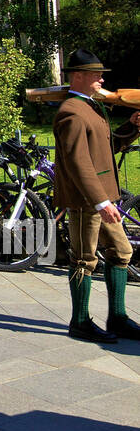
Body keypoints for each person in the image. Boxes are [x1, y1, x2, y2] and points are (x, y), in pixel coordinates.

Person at [53, 48, 140, 343]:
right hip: (85, 201)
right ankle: (79, 323)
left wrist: (132, 127)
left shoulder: (91, 107)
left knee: (122, 252)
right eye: (96, 74)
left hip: (102, 199)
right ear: (78, 76)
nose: (102, 79)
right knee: (83, 260)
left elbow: (107, 146)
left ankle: (117, 317)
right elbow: (79, 163)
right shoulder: (71, 113)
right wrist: (101, 203)